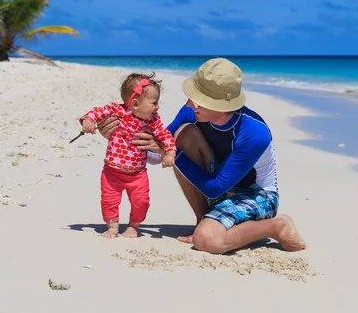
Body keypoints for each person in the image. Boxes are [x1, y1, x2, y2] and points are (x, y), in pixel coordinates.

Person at [97, 58, 306, 254]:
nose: (189, 103)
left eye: (197, 100)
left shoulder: (254, 133)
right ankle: (202, 219)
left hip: (255, 194)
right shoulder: (192, 112)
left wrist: (169, 152)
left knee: (206, 240)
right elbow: (156, 153)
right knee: (183, 134)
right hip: (218, 185)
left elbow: (214, 187)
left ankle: (275, 226)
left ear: (219, 105)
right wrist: (119, 136)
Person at [80, 72, 176, 239]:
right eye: (154, 103)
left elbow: (166, 136)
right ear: (136, 104)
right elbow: (98, 112)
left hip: (138, 174)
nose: (157, 107)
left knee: (141, 201)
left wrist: (169, 153)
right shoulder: (117, 111)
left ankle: (133, 225)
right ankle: (112, 226)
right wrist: (88, 121)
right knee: (109, 200)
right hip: (112, 172)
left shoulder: (153, 121)